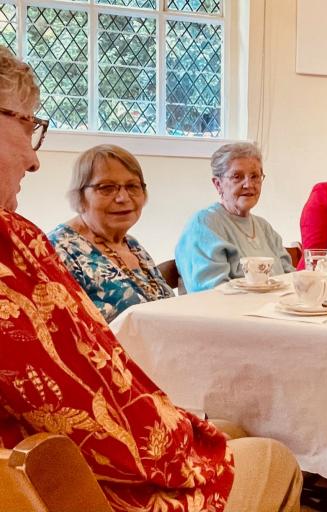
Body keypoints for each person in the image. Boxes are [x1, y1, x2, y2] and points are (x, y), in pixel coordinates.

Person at [0, 46, 301, 512]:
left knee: (247, 422)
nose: (35, 160)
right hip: (80, 472)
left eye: (132, 187)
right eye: (28, 126)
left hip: (144, 398)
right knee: (274, 449)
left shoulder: (138, 249)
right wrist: (192, 439)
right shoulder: (21, 243)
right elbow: (85, 405)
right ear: (79, 197)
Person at [48, 145, 174, 323]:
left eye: (132, 186)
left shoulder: (131, 244)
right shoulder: (59, 251)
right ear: (80, 195)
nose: (123, 198)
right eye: (107, 188)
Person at [176, 142, 294, 292]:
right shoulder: (204, 225)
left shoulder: (264, 227)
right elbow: (213, 293)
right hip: (233, 314)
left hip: (274, 311)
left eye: (255, 176)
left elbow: (289, 279)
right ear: (218, 184)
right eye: (237, 177)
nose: (248, 184)